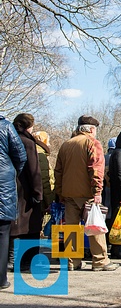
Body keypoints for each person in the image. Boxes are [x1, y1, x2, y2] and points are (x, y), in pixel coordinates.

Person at [55, 115, 119, 271]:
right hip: (88, 193)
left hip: (69, 193)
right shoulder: (92, 143)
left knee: (71, 227)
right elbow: (96, 170)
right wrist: (97, 191)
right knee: (95, 225)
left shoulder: (66, 144)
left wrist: (60, 192)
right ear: (91, 129)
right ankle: (100, 260)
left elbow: (58, 171)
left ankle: (72, 262)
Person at [10, 114, 43, 272]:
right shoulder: (28, 143)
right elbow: (33, 170)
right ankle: (26, 261)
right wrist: (38, 193)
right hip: (26, 190)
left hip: (11, 188)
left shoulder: (8, 139)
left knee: (12, 226)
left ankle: (11, 260)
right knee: (30, 227)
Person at [0, 115, 27, 289]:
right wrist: (12, 172)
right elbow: (20, 155)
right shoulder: (6, 127)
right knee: (2, 232)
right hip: (3, 184)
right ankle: (1, 279)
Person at [107, 130, 121, 259]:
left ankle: (118, 247)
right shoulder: (120, 154)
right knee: (118, 222)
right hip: (119, 193)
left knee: (117, 220)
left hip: (116, 191)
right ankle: (117, 249)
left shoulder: (116, 153)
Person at [33, 131, 55, 213]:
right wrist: (49, 202)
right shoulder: (40, 154)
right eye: (47, 141)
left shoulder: (30, 150)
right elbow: (45, 179)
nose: (49, 144)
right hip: (41, 199)